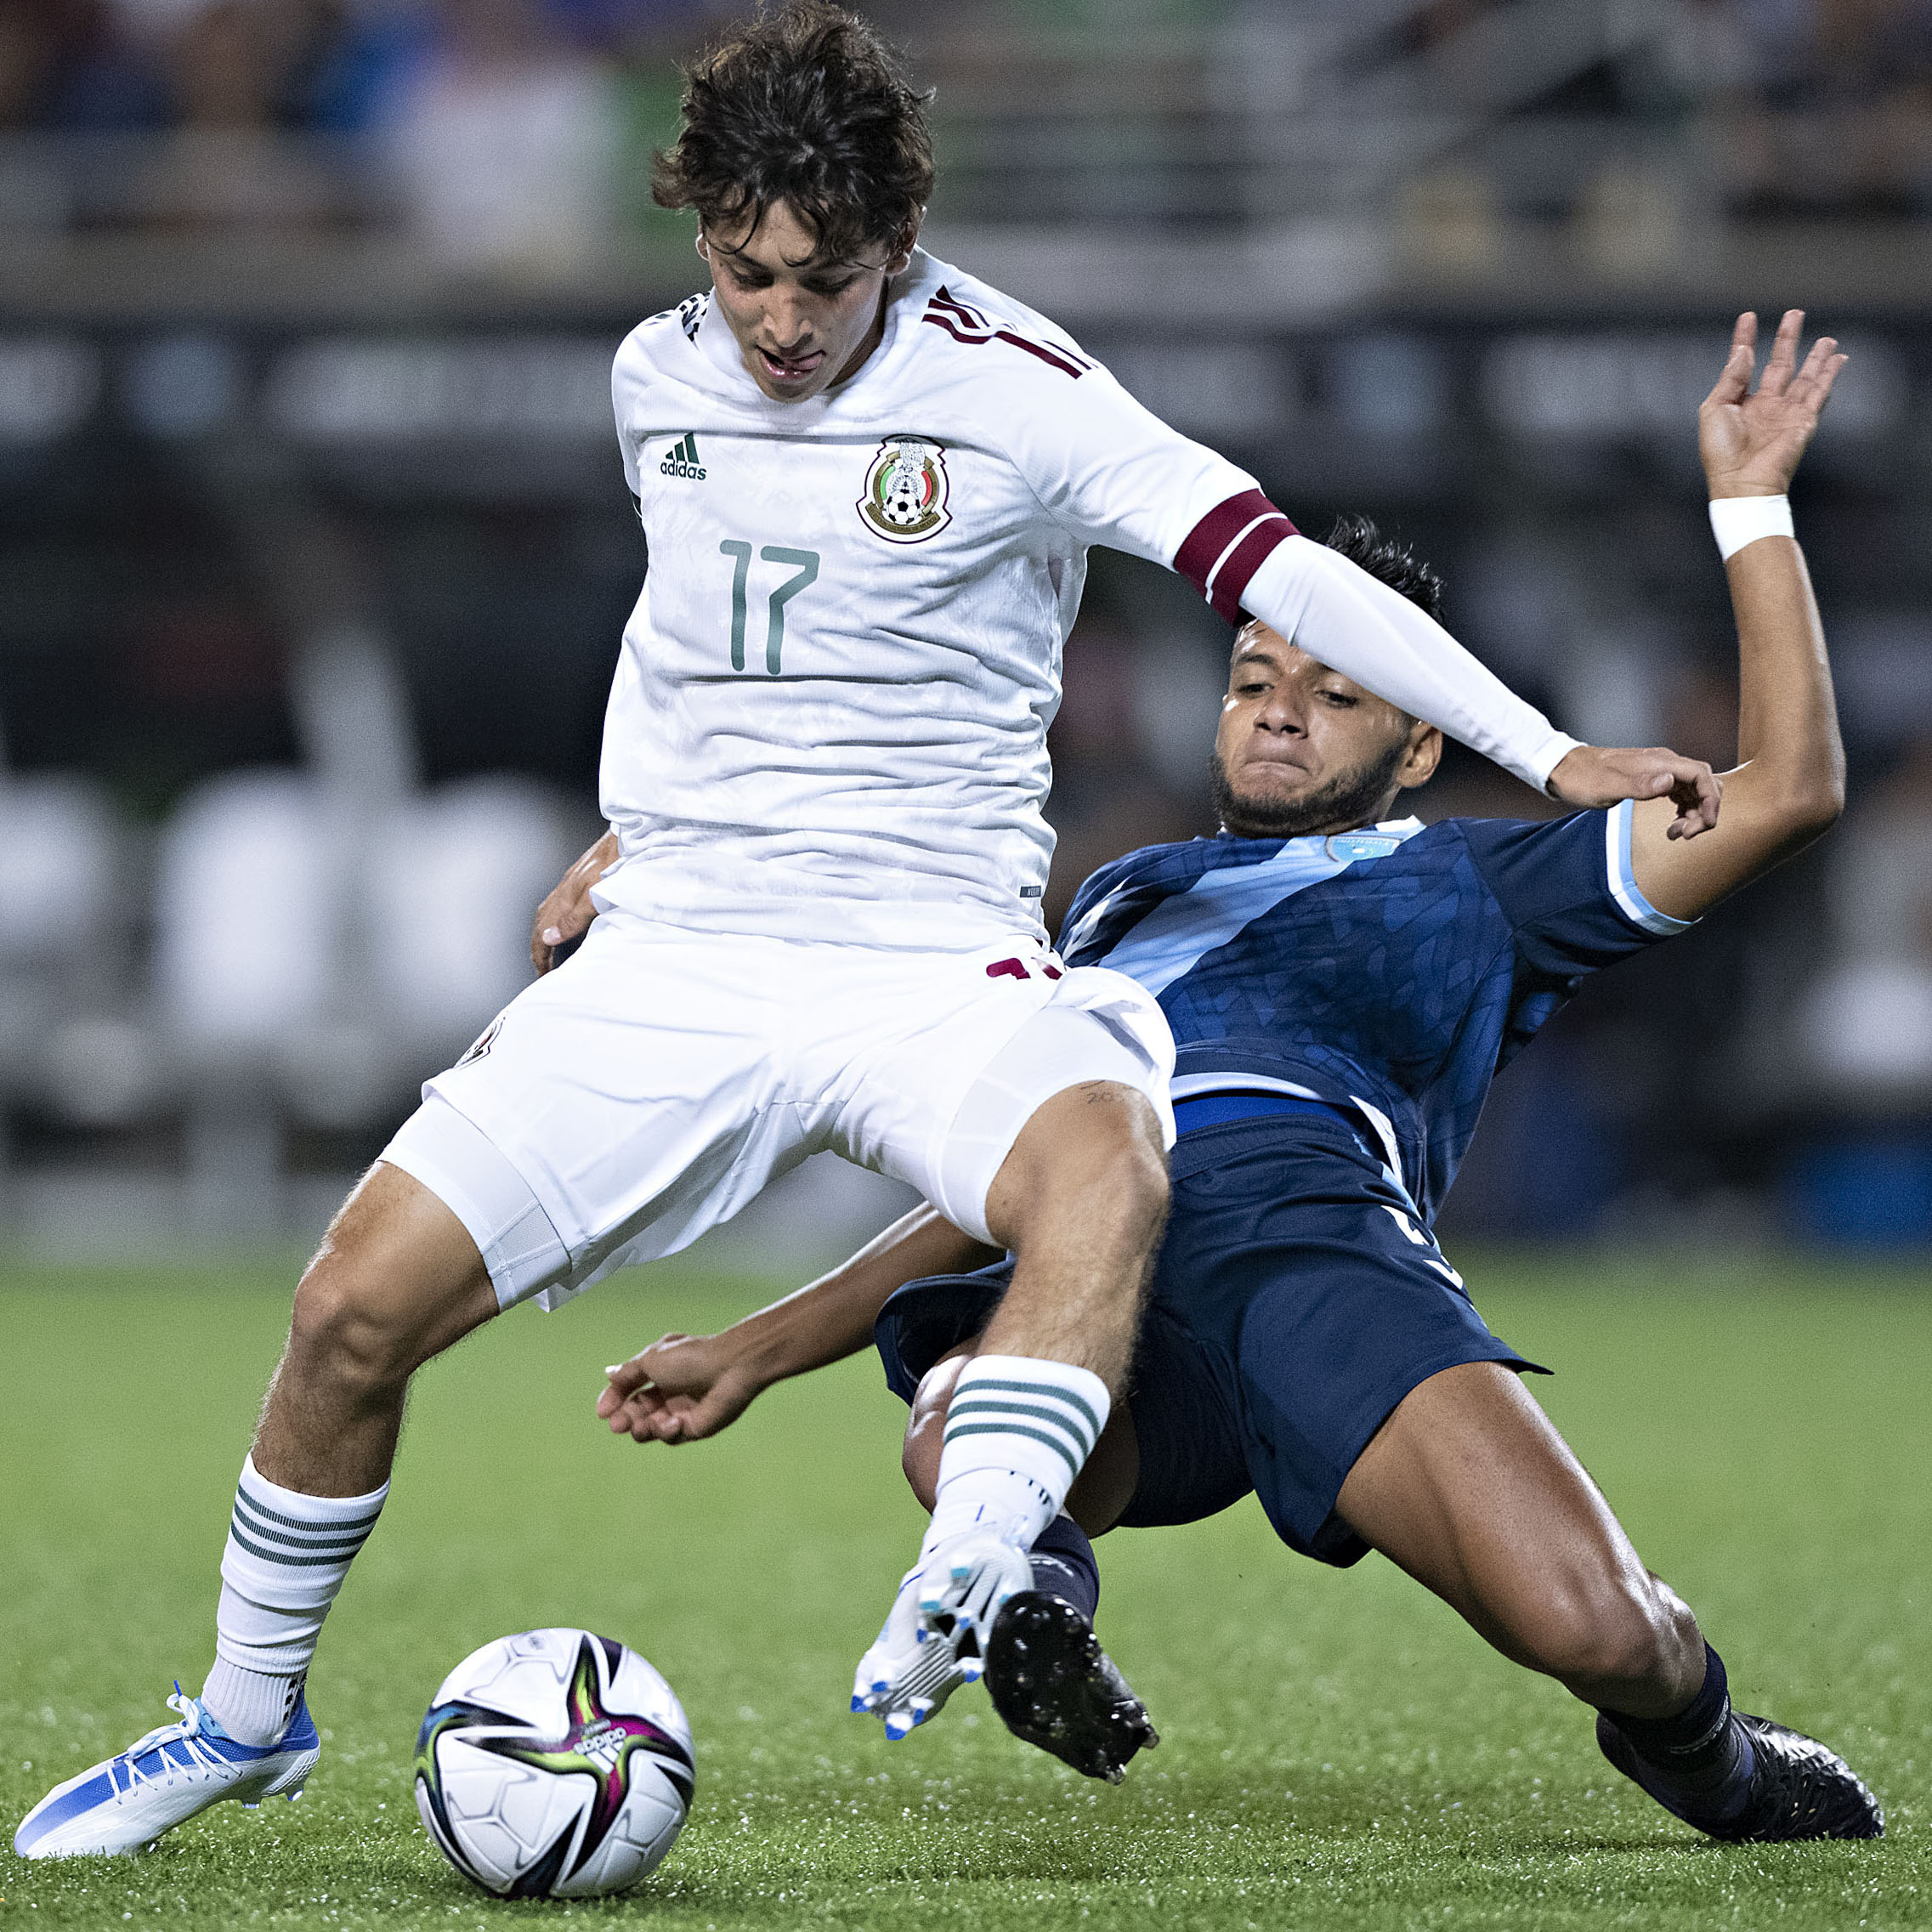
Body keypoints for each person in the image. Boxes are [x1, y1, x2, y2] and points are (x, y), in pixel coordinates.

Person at [17, 3, 1713, 1862]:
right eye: (745, 273)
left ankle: (981, 1552)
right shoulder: (653, 378)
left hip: (921, 955)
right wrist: (633, 830)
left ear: (898, 243)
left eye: (824, 280)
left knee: (1105, 1155)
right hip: (684, 948)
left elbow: (1280, 565)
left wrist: (1548, 755)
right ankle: (244, 1716)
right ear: (699, 238)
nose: (780, 320)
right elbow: (718, 635)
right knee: (349, 1311)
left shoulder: (1023, 391)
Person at [598, 312, 1882, 1843]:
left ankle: (1709, 1755)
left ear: (1420, 746)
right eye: (1254, 674)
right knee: (959, 1418)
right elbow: (1015, 1174)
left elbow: (1786, 791)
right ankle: (1032, 1604)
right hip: (1111, 1267)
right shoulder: (1107, 903)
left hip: (1308, 1247)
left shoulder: (1477, 880)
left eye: (1336, 692)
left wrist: (1749, 506)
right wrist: (758, 1345)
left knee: (1607, 1635)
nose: (1279, 706)